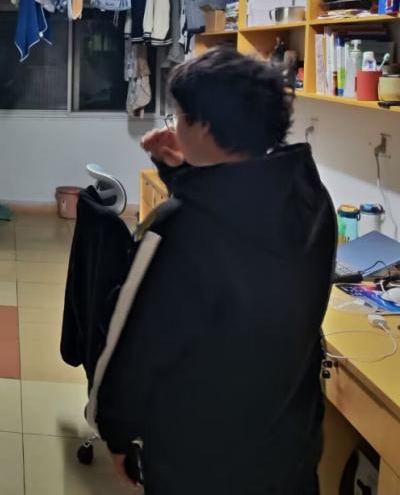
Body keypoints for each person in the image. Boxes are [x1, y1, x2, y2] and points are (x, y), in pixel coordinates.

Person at [96, 47, 336, 494]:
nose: (175, 127)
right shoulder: (311, 202)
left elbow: (135, 342)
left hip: (199, 458)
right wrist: (182, 171)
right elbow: (237, 211)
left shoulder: (178, 229)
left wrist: (115, 429)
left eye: (180, 117)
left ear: (204, 125)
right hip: (290, 449)